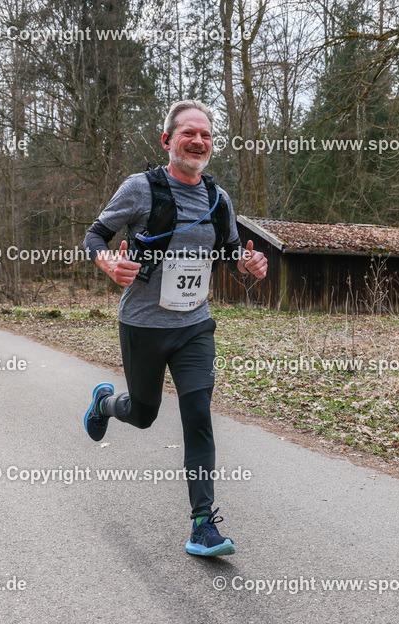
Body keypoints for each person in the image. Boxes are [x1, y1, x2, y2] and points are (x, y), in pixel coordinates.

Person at [82, 100, 268, 557]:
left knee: (198, 413)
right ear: (168, 140)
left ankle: (203, 525)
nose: (199, 141)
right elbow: (95, 236)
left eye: (206, 135)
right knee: (143, 414)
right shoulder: (140, 188)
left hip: (194, 326)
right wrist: (108, 264)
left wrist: (247, 263)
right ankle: (105, 404)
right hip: (143, 324)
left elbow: (230, 251)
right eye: (189, 133)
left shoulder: (218, 198)